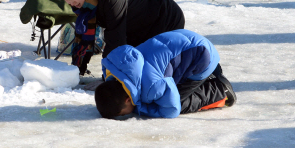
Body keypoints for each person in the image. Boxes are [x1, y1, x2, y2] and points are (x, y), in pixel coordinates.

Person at [51, 0, 185, 75]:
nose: (71, 3)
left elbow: (116, 42)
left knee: (152, 73)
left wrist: (107, 79)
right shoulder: (88, 0)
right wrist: (75, 72)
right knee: (135, 69)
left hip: (166, 18)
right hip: (138, 23)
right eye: (67, 0)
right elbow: (85, 35)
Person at [95, 29, 236, 119]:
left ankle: (219, 90)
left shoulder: (152, 86)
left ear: (127, 100)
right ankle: (212, 74)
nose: (128, 114)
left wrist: (142, 108)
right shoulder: (113, 67)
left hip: (203, 56)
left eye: (124, 113)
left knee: (180, 102)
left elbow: (172, 109)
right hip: (187, 39)